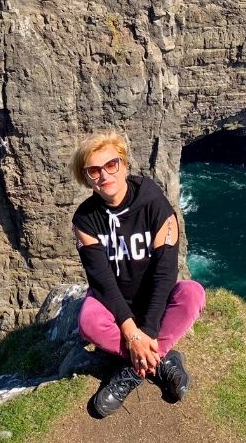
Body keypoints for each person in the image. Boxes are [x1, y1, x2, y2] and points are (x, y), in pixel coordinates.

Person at [70, 130, 206, 417]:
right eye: (94, 170)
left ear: (124, 163)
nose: (105, 175)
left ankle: (135, 369)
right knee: (88, 321)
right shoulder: (85, 219)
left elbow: (165, 271)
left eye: (111, 164)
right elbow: (102, 282)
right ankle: (159, 361)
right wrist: (132, 334)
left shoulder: (153, 202)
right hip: (115, 302)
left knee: (193, 294)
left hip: (153, 299)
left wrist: (149, 331)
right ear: (86, 177)